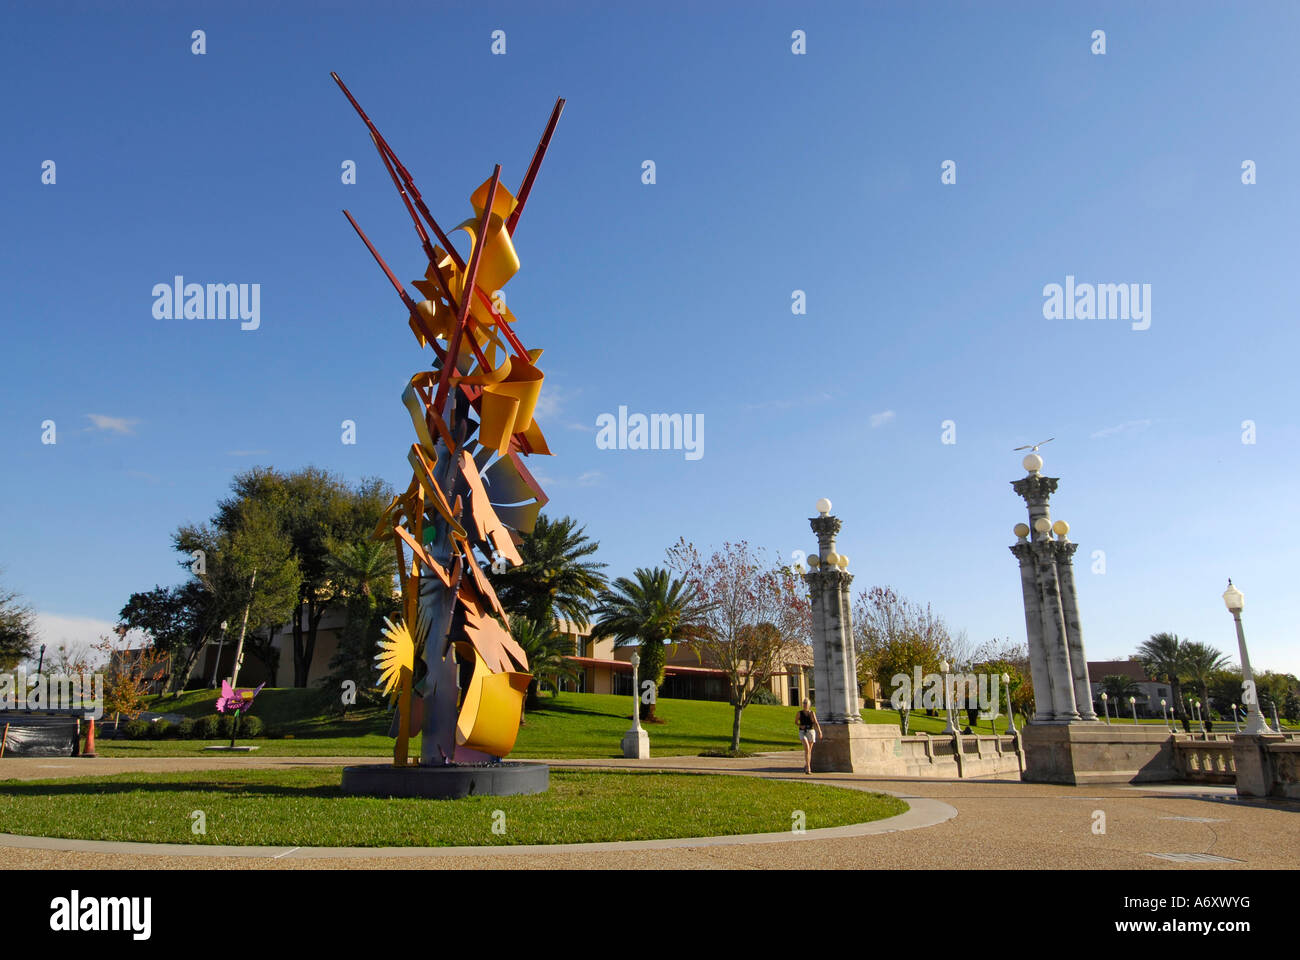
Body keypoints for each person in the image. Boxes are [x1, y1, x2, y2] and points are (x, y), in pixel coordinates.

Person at [796, 699, 823, 775]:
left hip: (811, 732)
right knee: (807, 748)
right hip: (802, 732)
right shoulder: (799, 713)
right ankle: (808, 768)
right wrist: (800, 725)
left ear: (809, 705)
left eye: (806, 703)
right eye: (804, 703)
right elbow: (796, 722)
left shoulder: (812, 713)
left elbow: (816, 722)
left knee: (809, 751)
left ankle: (806, 764)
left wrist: (820, 731)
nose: (805, 705)